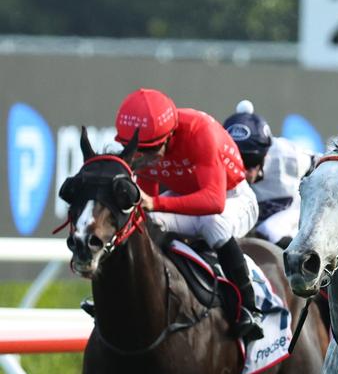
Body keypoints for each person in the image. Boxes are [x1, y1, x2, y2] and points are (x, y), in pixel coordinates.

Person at [114, 87, 264, 340]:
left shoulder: (199, 131)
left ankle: (249, 308)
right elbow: (149, 203)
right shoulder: (144, 150)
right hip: (185, 198)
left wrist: (156, 204)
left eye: (151, 149)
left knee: (212, 223)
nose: (144, 157)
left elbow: (214, 201)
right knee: (137, 222)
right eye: (138, 149)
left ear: (170, 134)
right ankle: (119, 296)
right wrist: (149, 210)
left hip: (232, 198)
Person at [223, 100, 316, 250]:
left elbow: (323, 168)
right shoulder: (214, 164)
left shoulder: (288, 156)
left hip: (291, 216)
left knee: (270, 230)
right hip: (246, 223)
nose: (245, 172)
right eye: (237, 161)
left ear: (266, 154)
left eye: (252, 161)